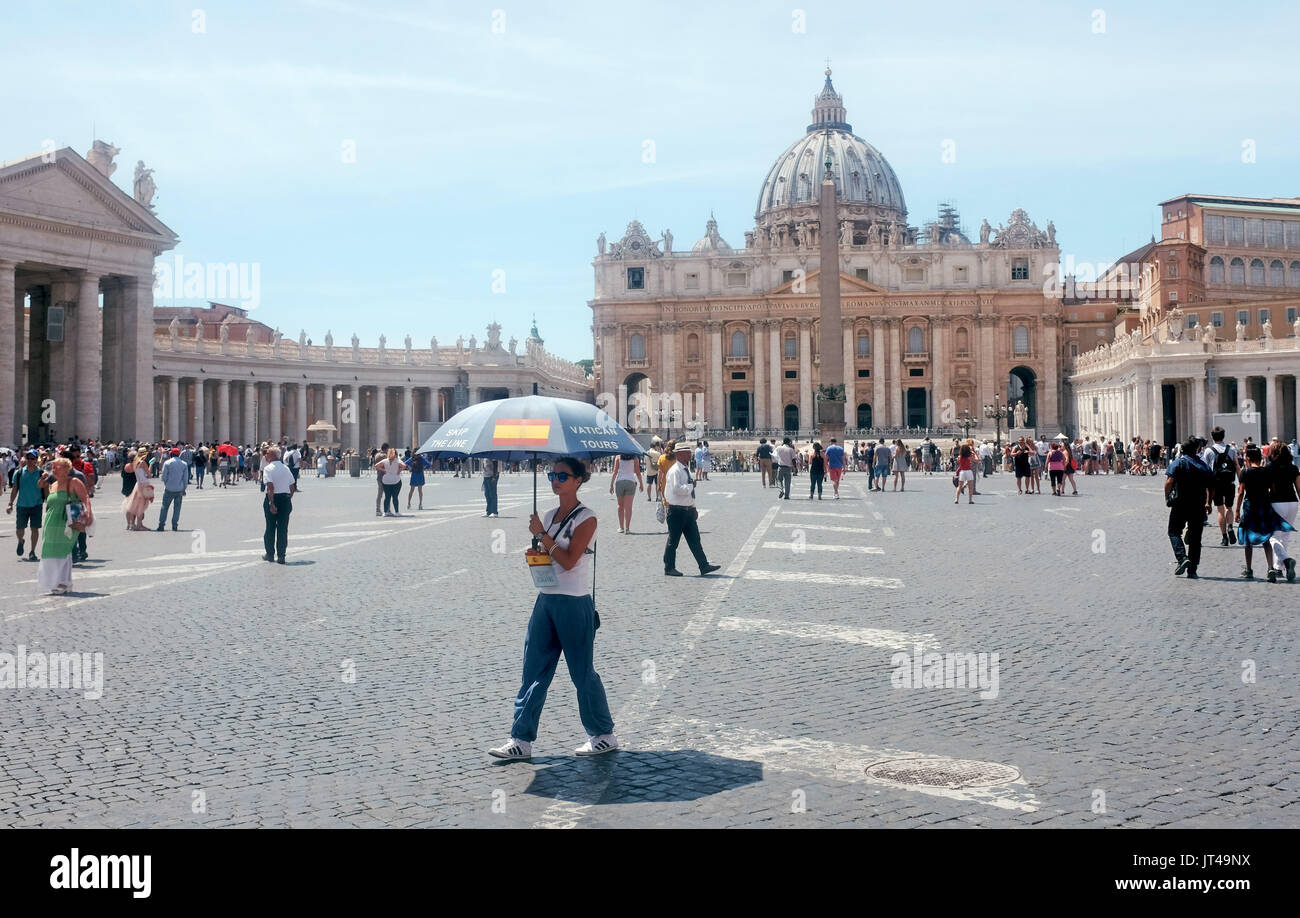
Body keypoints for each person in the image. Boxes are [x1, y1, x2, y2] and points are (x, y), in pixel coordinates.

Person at [489, 456, 617, 760]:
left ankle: (603, 734)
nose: (555, 480)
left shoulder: (587, 518)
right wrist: (535, 552)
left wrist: (543, 536)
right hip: (546, 599)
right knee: (533, 670)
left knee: (582, 673)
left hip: (574, 601)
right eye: (551, 475)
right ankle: (521, 740)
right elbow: (548, 556)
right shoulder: (547, 515)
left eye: (562, 475)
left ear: (578, 480)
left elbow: (571, 561)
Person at [663, 442, 721, 577]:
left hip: (687, 510)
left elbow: (688, 491)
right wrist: (690, 486)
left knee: (695, 539)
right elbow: (677, 489)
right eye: (687, 452)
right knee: (673, 541)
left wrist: (693, 507)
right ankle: (669, 567)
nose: (690, 454)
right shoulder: (675, 470)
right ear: (680, 454)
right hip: (676, 510)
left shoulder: (685, 468)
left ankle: (703, 565)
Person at [36, 457, 92, 595]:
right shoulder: (52, 484)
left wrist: (89, 513)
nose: (53, 470)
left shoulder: (73, 482)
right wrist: (43, 479)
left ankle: (63, 582)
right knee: (49, 550)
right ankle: (57, 581)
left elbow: (85, 497)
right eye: (52, 467)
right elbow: (39, 486)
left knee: (64, 550)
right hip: (51, 522)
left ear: (67, 469)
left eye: (57, 467)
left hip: (67, 522)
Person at [1234, 445, 1290, 580]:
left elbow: (1241, 492)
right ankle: (1270, 568)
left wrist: (1237, 510)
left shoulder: (1245, 473)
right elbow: (1273, 489)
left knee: (1248, 539)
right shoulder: (1267, 471)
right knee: (1266, 538)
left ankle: (1248, 569)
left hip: (1250, 506)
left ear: (1247, 458)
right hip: (1263, 506)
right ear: (1260, 458)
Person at [1165, 437, 1214, 579]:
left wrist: (1167, 497)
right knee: (1195, 538)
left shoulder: (1178, 463)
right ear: (1197, 450)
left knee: (1174, 531)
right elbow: (1211, 486)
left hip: (1180, 504)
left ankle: (1182, 558)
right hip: (1198, 505)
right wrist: (1209, 502)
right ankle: (1192, 569)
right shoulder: (1203, 465)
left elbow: (1169, 481)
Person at [1266, 440, 1300, 582]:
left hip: (1276, 502)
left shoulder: (1270, 468)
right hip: (1292, 502)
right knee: (1285, 536)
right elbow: (1299, 488)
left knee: (1273, 537)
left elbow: (1267, 488)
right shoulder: (1293, 468)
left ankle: (1286, 560)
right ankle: (1278, 568)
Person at [1201, 427, 1240, 548]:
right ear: (1224, 436)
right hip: (1229, 483)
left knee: (1220, 510)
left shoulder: (1209, 451)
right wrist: (1241, 482)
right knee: (1229, 507)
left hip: (1216, 484)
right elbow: (1237, 466)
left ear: (1212, 437)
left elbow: (1205, 469)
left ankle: (1224, 537)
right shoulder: (1232, 449)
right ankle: (1230, 526)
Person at [7, 450, 46, 561]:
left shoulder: (41, 473)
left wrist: (49, 502)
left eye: (32, 458)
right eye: (28, 458)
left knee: (35, 529)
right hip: (22, 505)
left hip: (36, 504)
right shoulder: (19, 473)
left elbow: (45, 488)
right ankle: (21, 540)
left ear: (36, 460)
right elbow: (15, 489)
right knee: (20, 529)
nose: (29, 461)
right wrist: (10, 503)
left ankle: (32, 551)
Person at [261, 446, 296, 563]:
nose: (265, 455)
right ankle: (281, 556)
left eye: (267, 453)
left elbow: (270, 487)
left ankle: (270, 554)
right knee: (282, 528)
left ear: (272, 456)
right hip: (285, 499)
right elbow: (292, 486)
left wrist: (271, 503)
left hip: (273, 498)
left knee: (270, 527)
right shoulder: (286, 468)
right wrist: (288, 497)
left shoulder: (268, 469)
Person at [122, 448, 155, 531]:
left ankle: (132, 524)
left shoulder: (134, 463)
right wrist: (151, 464)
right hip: (144, 484)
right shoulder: (142, 463)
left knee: (136, 504)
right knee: (142, 505)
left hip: (138, 484)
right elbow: (149, 475)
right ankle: (139, 525)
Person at [156, 447, 188, 531]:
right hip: (179, 489)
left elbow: (163, 477)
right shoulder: (184, 464)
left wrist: (167, 484)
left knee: (164, 507)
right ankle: (174, 525)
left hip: (169, 488)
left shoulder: (167, 463)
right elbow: (185, 479)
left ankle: (161, 525)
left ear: (171, 454)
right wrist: (184, 488)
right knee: (177, 508)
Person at [610, 452, 643, 533]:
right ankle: (627, 528)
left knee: (620, 506)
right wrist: (641, 484)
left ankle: (621, 527)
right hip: (630, 482)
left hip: (620, 482)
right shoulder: (635, 458)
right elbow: (638, 472)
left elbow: (615, 472)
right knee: (628, 507)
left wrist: (611, 485)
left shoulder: (618, 457)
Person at [376, 448, 405, 516]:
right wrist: (398, 471)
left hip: (386, 480)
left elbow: (376, 466)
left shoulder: (385, 460)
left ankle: (386, 512)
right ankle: (397, 512)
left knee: (387, 497)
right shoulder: (397, 460)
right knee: (395, 497)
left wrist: (384, 470)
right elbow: (404, 466)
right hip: (395, 480)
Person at [646, 437, 663, 501]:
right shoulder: (657, 453)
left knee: (649, 484)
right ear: (655, 446)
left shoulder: (646, 453)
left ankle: (649, 497)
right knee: (657, 484)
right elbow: (661, 458)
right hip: (656, 471)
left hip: (649, 471)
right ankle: (657, 497)